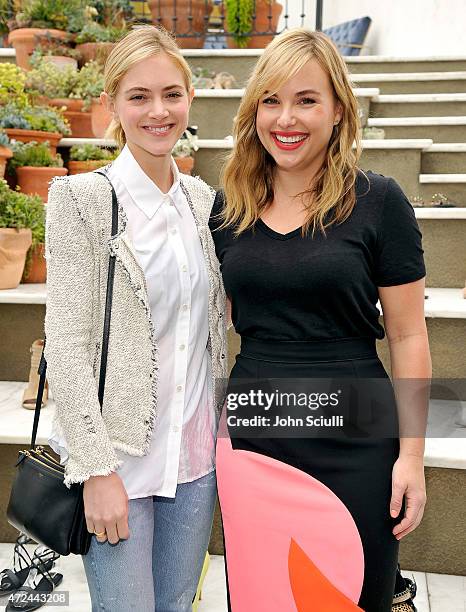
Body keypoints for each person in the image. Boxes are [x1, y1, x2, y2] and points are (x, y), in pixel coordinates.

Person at [209, 28, 430, 612]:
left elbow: (408, 336)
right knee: (263, 596)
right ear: (253, 110)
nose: (288, 118)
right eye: (272, 100)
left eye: (307, 100)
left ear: (338, 111)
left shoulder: (380, 202)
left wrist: (411, 457)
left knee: (349, 594)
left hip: (357, 435)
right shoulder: (227, 209)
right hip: (256, 434)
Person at [44, 25, 227, 611]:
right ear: (113, 104)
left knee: (176, 606)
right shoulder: (81, 201)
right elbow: (67, 344)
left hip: (194, 457)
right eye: (139, 96)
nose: (158, 111)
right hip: (118, 460)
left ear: (190, 99)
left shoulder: (204, 203)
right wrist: (94, 468)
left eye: (172, 94)